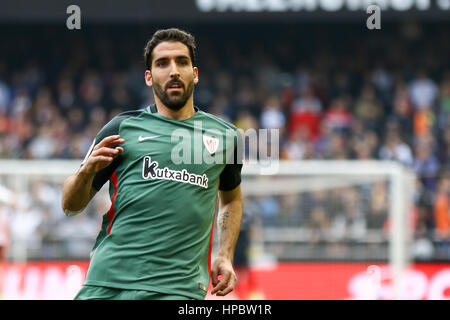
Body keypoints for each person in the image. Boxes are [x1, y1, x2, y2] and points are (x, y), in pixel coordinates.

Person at [62, 28, 243, 300]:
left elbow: (231, 200)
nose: (173, 71)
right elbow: (70, 206)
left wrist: (225, 254)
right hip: (107, 283)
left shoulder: (227, 138)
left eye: (182, 62)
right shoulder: (121, 128)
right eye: (162, 63)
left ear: (195, 73)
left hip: (176, 290)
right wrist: (86, 172)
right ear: (149, 77)